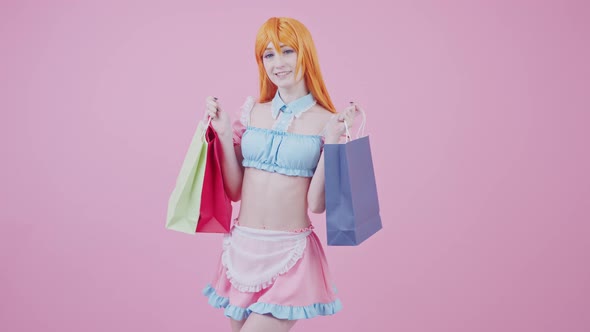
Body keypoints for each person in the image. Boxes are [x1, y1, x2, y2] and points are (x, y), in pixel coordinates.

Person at [201, 17, 359, 332]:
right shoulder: (251, 112)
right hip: (243, 248)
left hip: (290, 254)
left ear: (305, 55)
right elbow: (235, 191)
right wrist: (220, 131)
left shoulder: (327, 121)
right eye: (268, 55)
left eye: (287, 51)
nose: (278, 63)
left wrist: (333, 142)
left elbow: (316, 204)